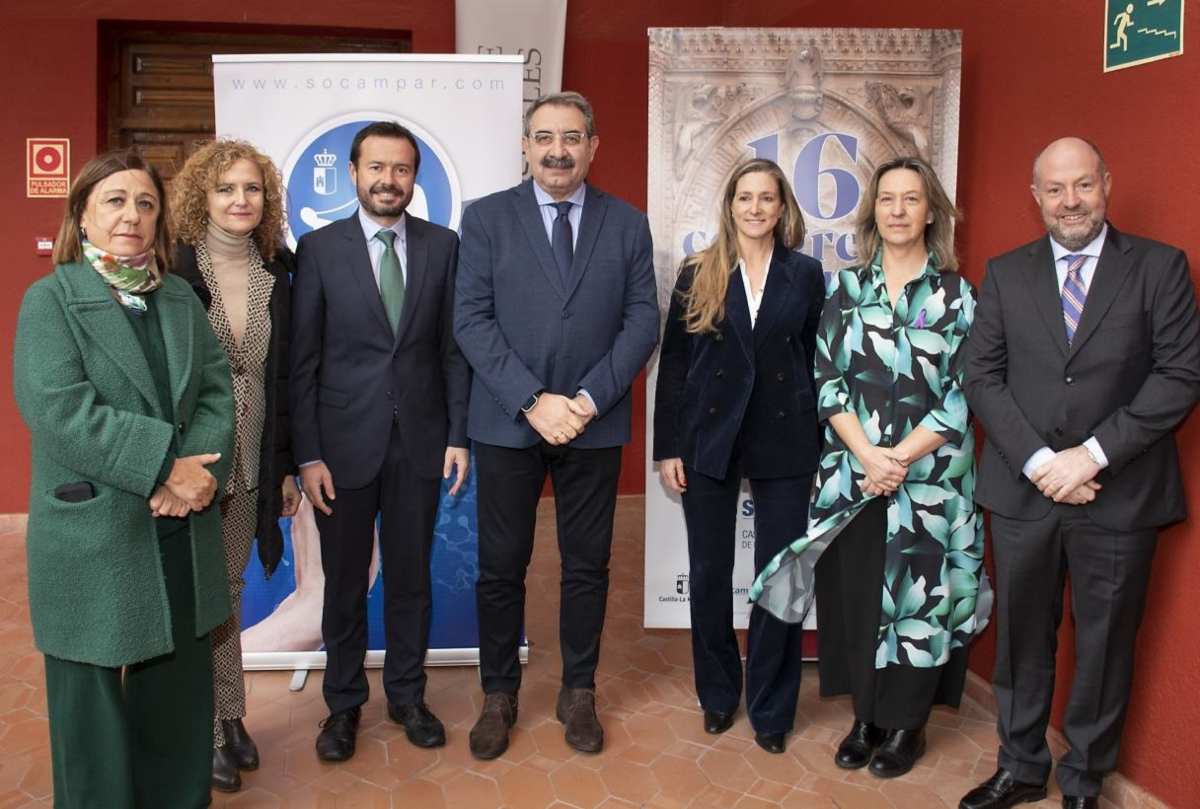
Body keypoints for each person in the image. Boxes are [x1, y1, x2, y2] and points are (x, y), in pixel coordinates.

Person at [960, 137, 1200, 809]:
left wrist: (1089, 456)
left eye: (1083, 186)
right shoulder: (1006, 274)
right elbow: (980, 375)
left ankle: (1084, 781)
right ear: (1036, 197)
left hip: (1119, 494)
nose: (1071, 201)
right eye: (1056, 189)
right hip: (1022, 492)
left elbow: (1180, 376)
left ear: (1107, 185)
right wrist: (1041, 463)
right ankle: (1021, 766)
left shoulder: (1159, 268)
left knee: (1104, 646)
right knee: (1020, 642)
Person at [751, 156, 989, 778]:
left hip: (931, 481)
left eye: (912, 199)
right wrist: (867, 456)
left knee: (920, 601)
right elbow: (826, 379)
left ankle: (906, 726)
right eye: (887, 199)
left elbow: (967, 392)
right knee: (856, 596)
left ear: (930, 211)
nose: (899, 210)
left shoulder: (960, 296)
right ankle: (866, 717)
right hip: (855, 476)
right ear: (873, 212)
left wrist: (902, 458)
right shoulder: (847, 289)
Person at [13, 149, 234, 807]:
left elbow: (217, 394)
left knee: (177, 682)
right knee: (89, 697)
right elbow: (59, 408)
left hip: (179, 525)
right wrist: (165, 467)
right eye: (114, 200)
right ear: (82, 213)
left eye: (145, 202)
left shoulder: (177, 298)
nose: (131, 215)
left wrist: (194, 476)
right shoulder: (51, 299)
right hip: (95, 523)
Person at [454, 91, 659, 759]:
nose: (557, 149)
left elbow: (641, 323)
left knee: (587, 565)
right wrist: (532, 399)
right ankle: (498, 693)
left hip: (592, 425)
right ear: (525, 145)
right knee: (499, 566)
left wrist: (587, 399)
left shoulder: (628, 224)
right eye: (544, 136)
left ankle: (579, 690)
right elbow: (471, 321)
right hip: (509, 420)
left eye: (571, 136)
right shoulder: (485, 219)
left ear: (593, 146)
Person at [289, 121, 470, 761]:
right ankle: (342, 707)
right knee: (342, 583)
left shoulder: (443, 246)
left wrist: (457, 436)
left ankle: (407, 696)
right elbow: (302, 360)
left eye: (401, 169)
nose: (388, 180)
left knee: (412, 580)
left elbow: (453, 352)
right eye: (377, 168)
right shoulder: (318, 249)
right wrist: (306, 454)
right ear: (354, 174)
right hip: (340, 448)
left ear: (414, 178)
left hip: (420, 441)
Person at [652, 158, 823, 754]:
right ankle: (719, 695)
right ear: (729, 205)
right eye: (744, 197)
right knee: (707, 576)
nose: (755, 207)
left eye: (766, 198)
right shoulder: (698, 271)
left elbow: (814, 361)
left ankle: (772, 706)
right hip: (707, 439)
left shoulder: (806, 275)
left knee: (780, 580)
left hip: (786, 441)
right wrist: (667, 446)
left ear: (782, 208)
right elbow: (674, 364)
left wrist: (821, 443)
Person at [170, 139, 301, 792]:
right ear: (203, 197)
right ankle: (204, 725)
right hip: (188, 467)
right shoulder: (173, 271)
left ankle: (230, 715)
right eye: (225, 189)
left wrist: (284, 466)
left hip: (251, 459)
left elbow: (287, 376)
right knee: (195, 598)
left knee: (228, 593)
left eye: (251, 189)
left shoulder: (281, 269)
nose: (240, 200)